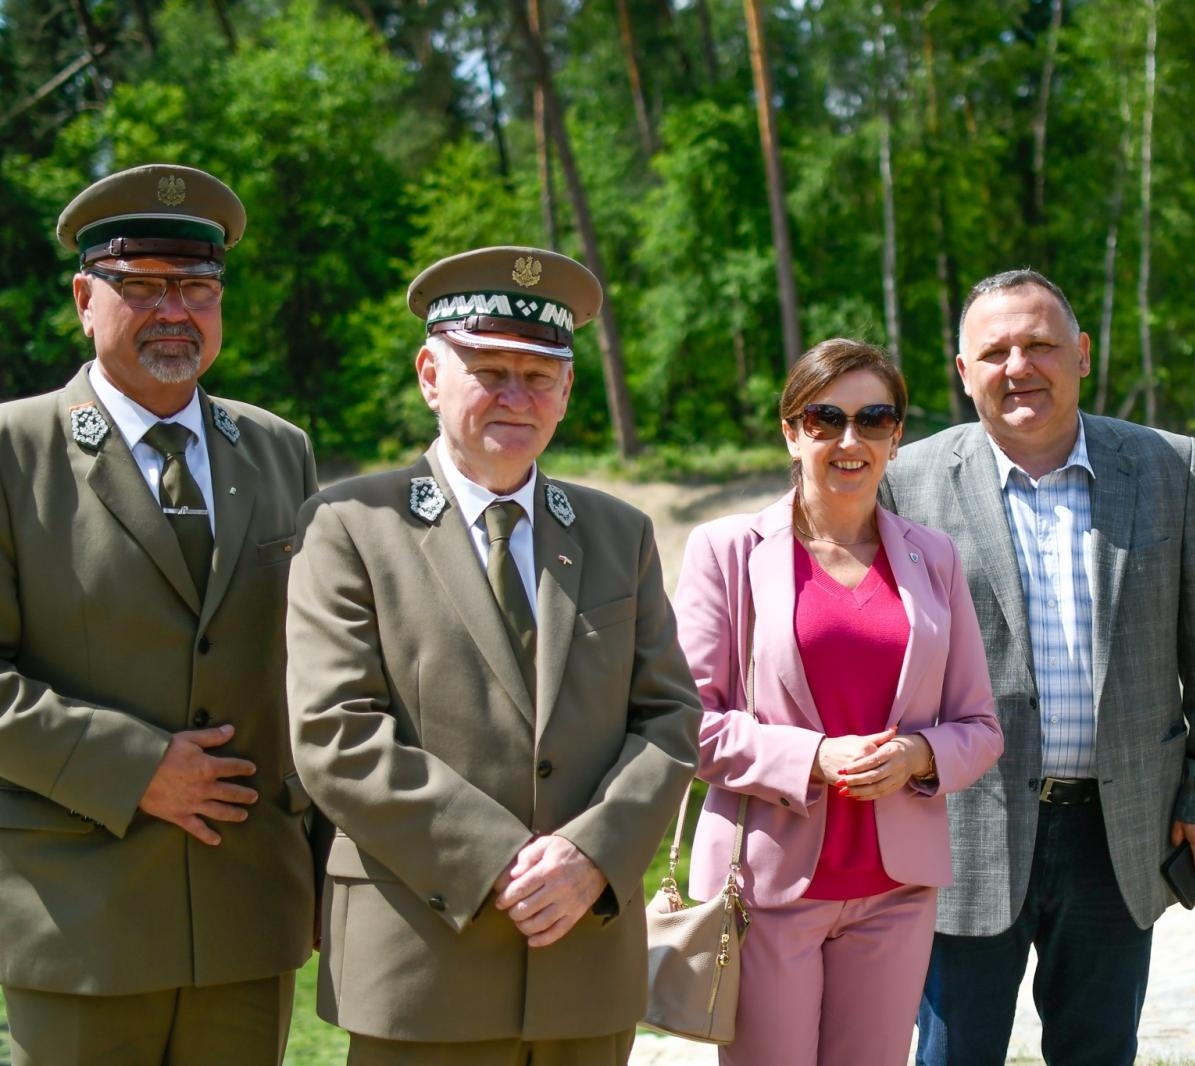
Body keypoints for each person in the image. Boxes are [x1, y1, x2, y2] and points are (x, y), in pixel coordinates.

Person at [286, 245, 702, 1066]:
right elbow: (335, 731)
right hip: (423, 966)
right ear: (430, 375)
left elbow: (668, 717)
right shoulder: (349, 525)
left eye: (539, 375)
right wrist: (498, 860)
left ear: (568, 390)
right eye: (489, 370)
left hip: (584, 960)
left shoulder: (620, 534)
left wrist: (593, 855)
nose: (516, 396)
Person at [881, 269, 1195, 1066]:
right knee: (950, 1056)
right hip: (961, 829)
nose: (1020, 366)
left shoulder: (1166, 467)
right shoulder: (903, 483)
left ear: (1083, 354)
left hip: (1118, 831)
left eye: (1041, 344)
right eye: (996, 351)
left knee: (1099, 1052)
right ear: (962, 371)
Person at [0, 163, 319, 1065]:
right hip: (79, 916)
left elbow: (319, 671)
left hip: (247, 911)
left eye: (197, 287)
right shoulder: (12, 452)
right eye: (140, 286)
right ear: (82, 297)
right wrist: (137, 766)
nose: (173, 309)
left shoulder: (278, 450)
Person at [673, 337, 1004, 1066]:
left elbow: (979, 726)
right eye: (826, 418)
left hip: (896, 890)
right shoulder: (726, 550)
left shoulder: (934, 558)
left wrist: (921, 754)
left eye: (874, 419)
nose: (850, 440)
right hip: (764, 889)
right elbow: (686, 726)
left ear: (896, 435)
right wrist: (814, 758)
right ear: (792, 433)